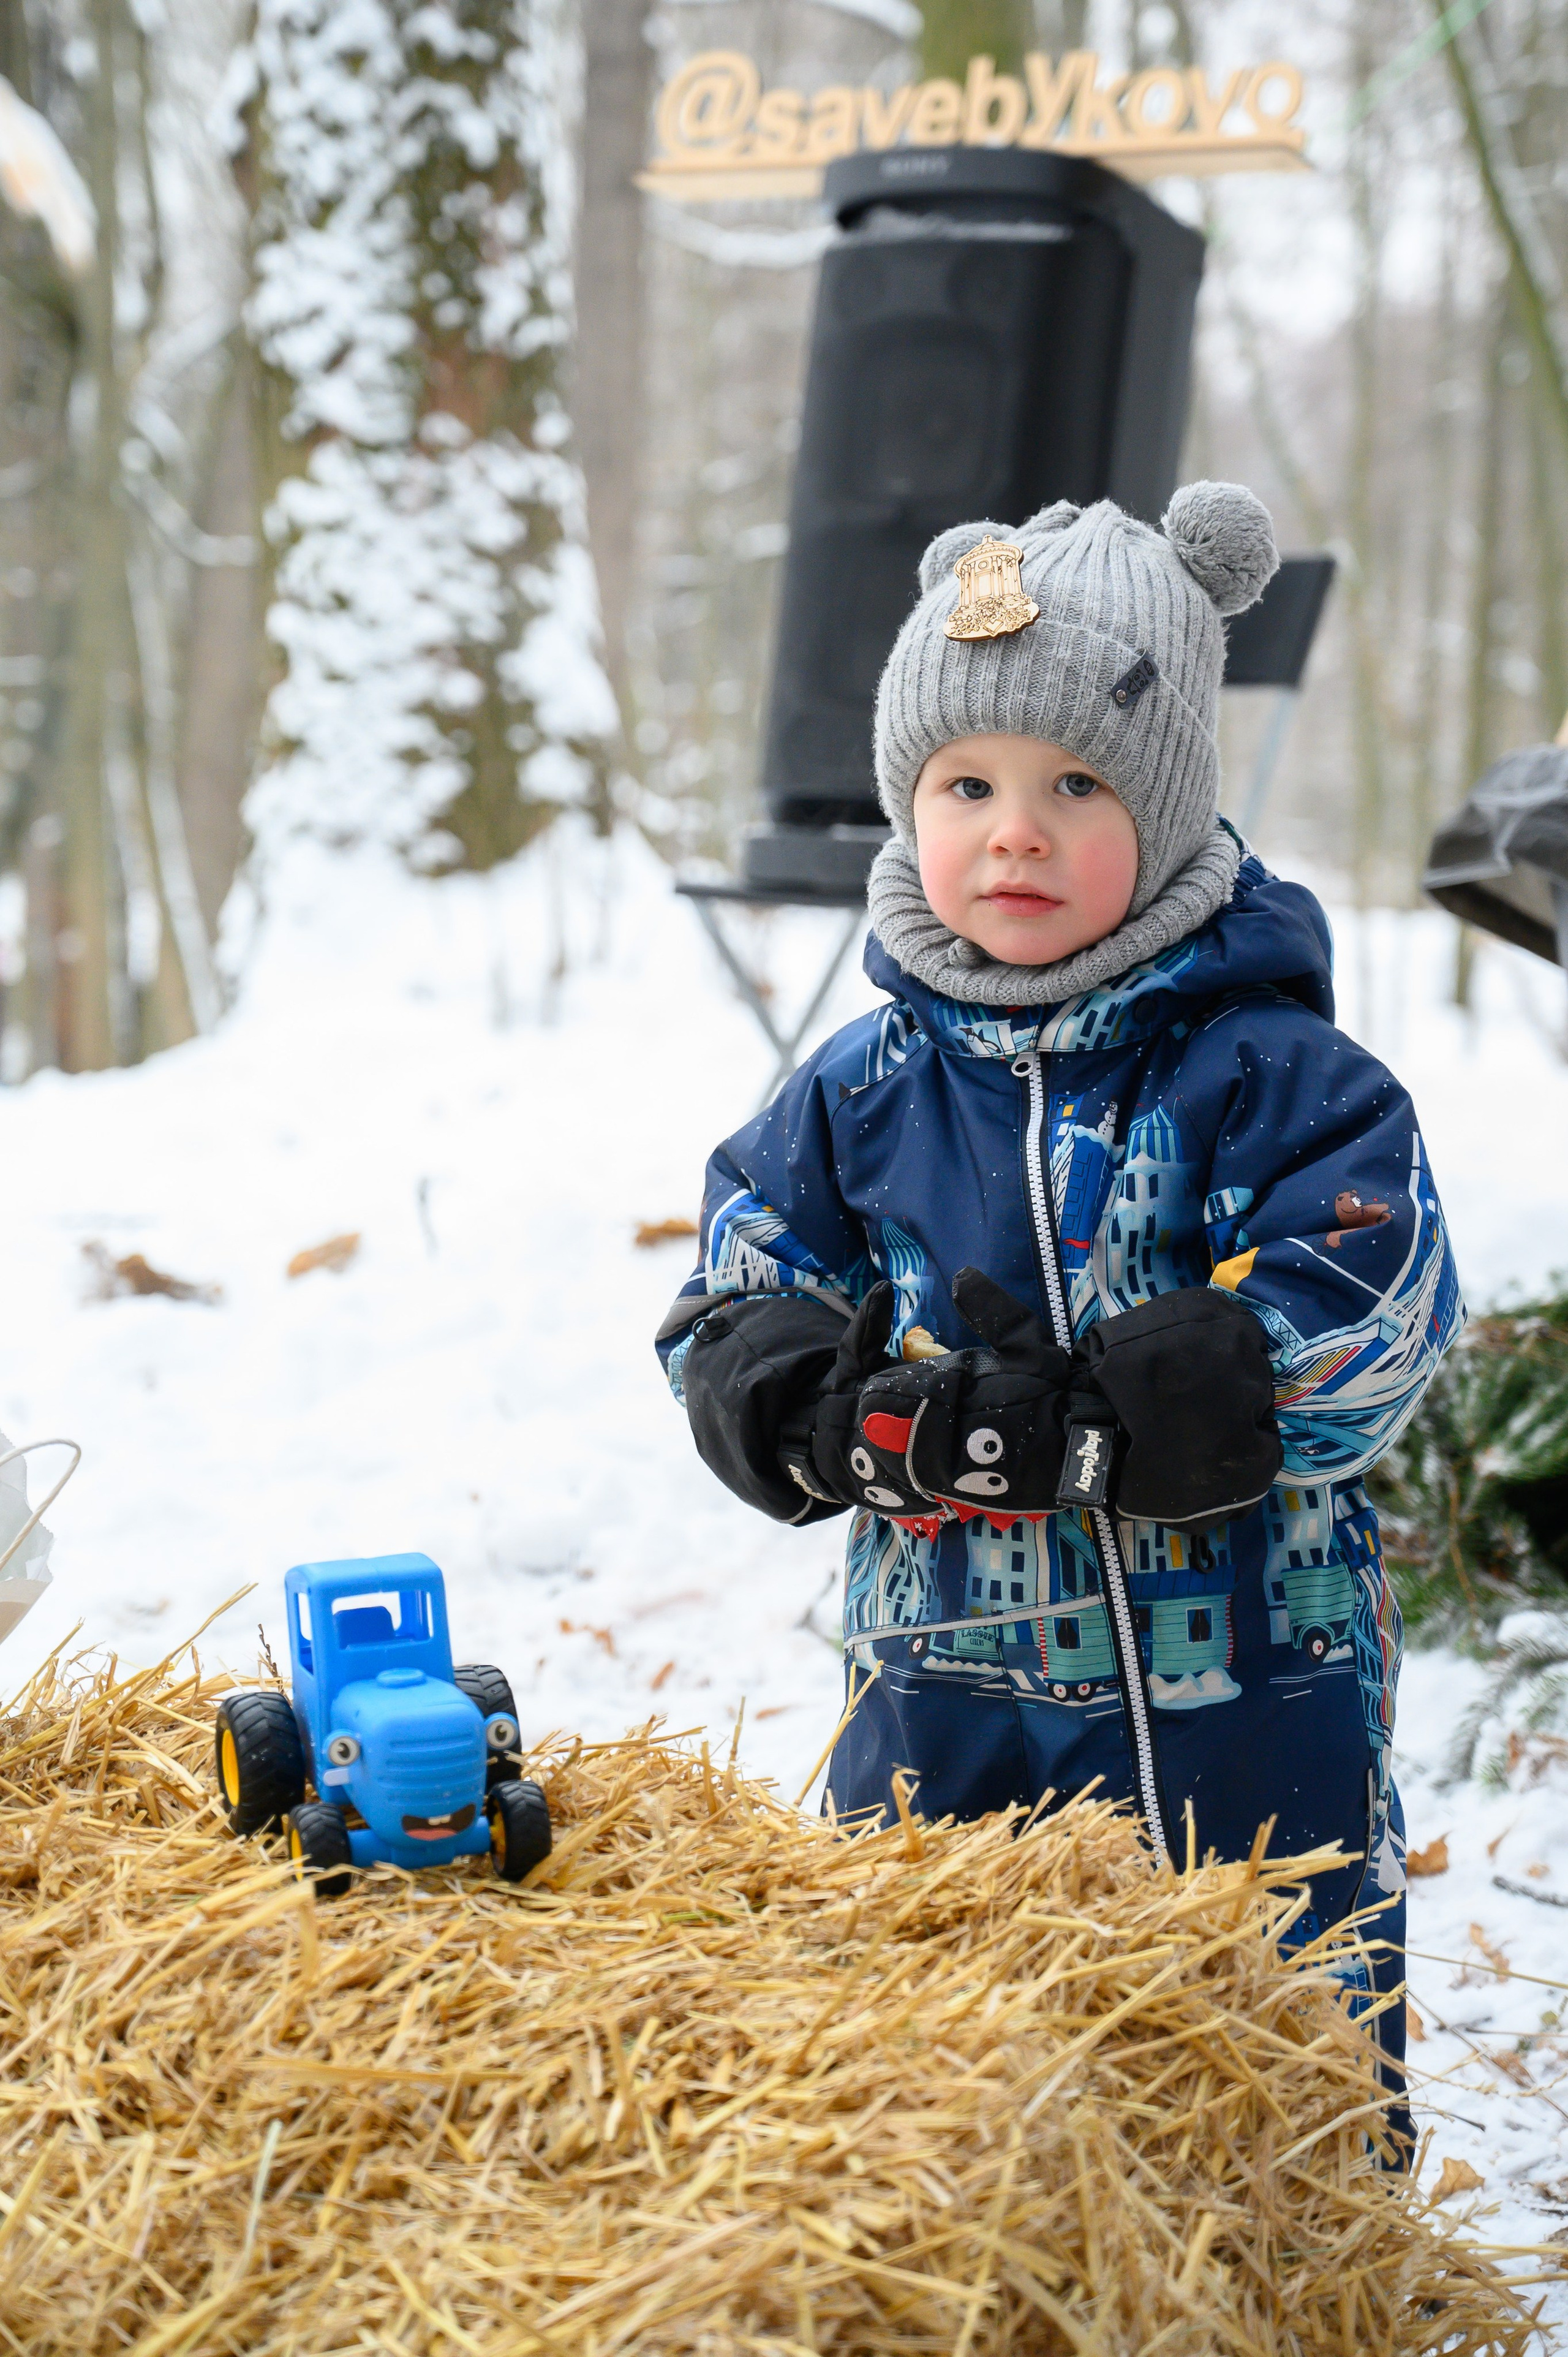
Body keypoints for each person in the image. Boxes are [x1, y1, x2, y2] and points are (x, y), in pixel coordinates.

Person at [655, 483, 1461, 2139]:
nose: (1013, 831)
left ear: (1162, 814)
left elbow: (1381, 1294)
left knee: (1273, 2048)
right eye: (968, 785)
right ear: (908, 801)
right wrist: (811, 1404)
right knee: (941, 2066)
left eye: (1075, 784)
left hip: (1247, 1691)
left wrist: (1175, 1398)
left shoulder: (1274, 1075)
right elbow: (735, 1294)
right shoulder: (857, 1092)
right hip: (949, 1679)